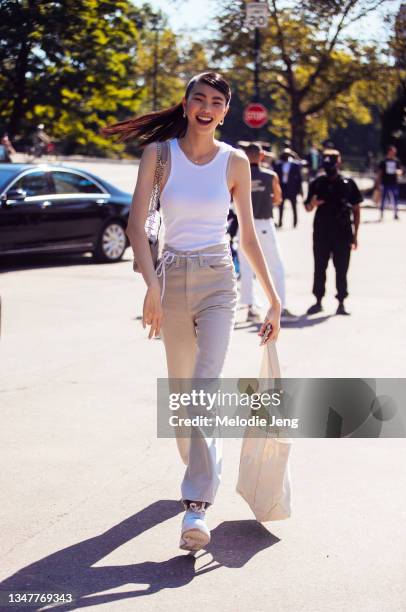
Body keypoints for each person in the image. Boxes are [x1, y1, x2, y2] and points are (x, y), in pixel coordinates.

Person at [102, 72, 281, 552]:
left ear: (225, 111)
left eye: (217, 101)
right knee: (184, 402)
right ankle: (205, 460)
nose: (207, 106)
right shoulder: (159, 156)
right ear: (185, 105)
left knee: (203, 389)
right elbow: (136, 227)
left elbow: (246, 236)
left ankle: (195, 506)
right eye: (198, 98)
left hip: (220, 279)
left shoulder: (235, 161)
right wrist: (152, 286)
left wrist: (272, 298)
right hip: (172, 279)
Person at [237, 142, 298, 322]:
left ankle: (250, 307)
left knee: (247, 267)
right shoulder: (270, 175)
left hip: (244, 223)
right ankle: (281, 305)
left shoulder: (239, 175)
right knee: (275, 266)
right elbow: (278, 199)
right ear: (261, 156)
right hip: (264, 223)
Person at [305, 148, 362, 316]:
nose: (330, 166)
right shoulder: (317, 183)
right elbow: (307, 207)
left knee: (342, 269)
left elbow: (357, 210)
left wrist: (355, 236)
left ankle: (341, 302)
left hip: (343, 233)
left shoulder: (348, 184)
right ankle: (318, 300)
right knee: (319, 267)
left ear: (339, 162)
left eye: (333, 161)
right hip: (322, 233)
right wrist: (313, 204)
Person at [274, 148, 303, 228]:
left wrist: (299, 190)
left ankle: (295, 222)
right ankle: (280, 222)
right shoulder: (278, 165)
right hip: (282, 188)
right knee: (281, 207)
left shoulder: (295, 165)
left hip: (292, 189)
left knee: (294, 206)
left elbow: (299, 178)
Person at [376, 145, 402, 221]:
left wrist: (398, 172)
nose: (393, 153)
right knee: (383, 199)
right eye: (392, 152)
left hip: (394, 183)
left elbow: (400, 170)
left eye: (394, 152)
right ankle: (381, 214)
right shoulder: (383, 161)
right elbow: (380, 173)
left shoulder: (396, 161)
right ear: (389, 152)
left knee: (395, 199)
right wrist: (378, 182)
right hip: (385, 182)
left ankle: (396, 214)